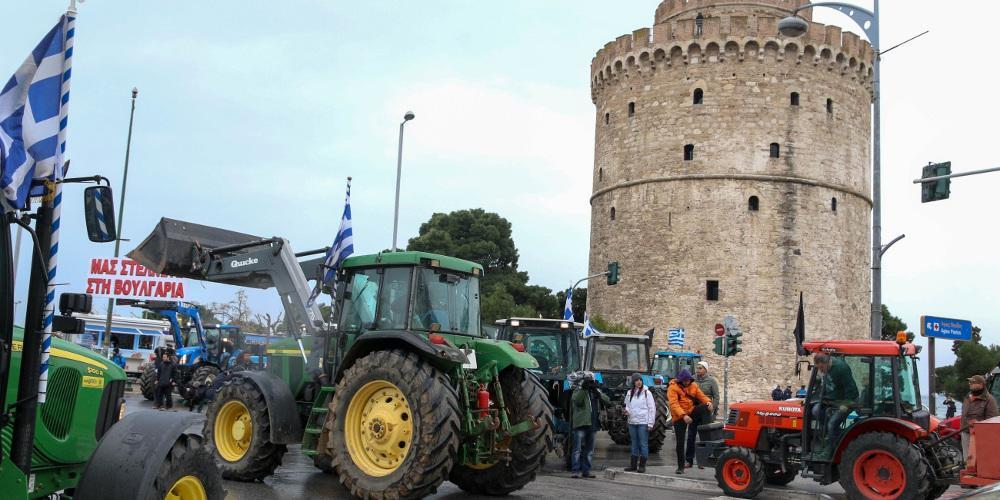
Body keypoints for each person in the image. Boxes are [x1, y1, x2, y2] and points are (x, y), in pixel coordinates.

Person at [811, 353, 859, 454]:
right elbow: (825, 386)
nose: (821, 370)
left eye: (822, 367)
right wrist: (820, 398)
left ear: (828, 362)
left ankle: (831, 449)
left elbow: (851, 389)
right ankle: (828, 433)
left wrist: (846, 404)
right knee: (815, 410)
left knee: (832, 423)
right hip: (830, 401)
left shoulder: (841, 368)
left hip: (844, 402)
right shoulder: (825, 369)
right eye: (818, 367)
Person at [667, 369, 712, 474]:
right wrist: (683, 416)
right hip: (679, 416)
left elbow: (701, 396)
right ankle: (680, 467)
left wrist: (709, 402)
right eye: (685, 380)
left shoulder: (694, 385)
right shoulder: (672, 388)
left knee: (706, 406)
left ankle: (706, 430)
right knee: (680, 442)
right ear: (680, 380)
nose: (687, 382)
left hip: (691, 411)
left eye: (688, 380)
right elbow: (674, 405)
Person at [569, 371, 610, 478]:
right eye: (588, 381)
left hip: (593, 424)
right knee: (577, 450)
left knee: (589, 451)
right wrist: (583, 388)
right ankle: (575, 471)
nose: (590, 382)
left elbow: (607, 401)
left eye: (591, 380)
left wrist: (597, 392)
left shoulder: (594, 391)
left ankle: (586, 471)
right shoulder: (578, 390)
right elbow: (577, 401)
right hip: (581, 424)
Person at [623, 372, 656, 473]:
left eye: (640, 380)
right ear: (633, 382)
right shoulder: (629, 393)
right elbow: (627, 405)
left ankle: (642, 466)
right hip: (632, 422)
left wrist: (650, 423)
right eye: (636, 380)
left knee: (643, 444)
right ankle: (633, 466)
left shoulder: (647, 393)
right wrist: (626, 411)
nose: (639, 382)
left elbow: (652, 409)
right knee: (634, 444)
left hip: (643, 422)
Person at [961, 375, 999, 463]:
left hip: (979, 435)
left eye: (973, 383)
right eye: (970, 382)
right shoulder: (968, 397)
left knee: (979, 460)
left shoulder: (990, 400)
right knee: (967, 460)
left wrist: (978, 425)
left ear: (981, 385)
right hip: (965, 432)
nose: (970, 384)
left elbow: (993, 420)